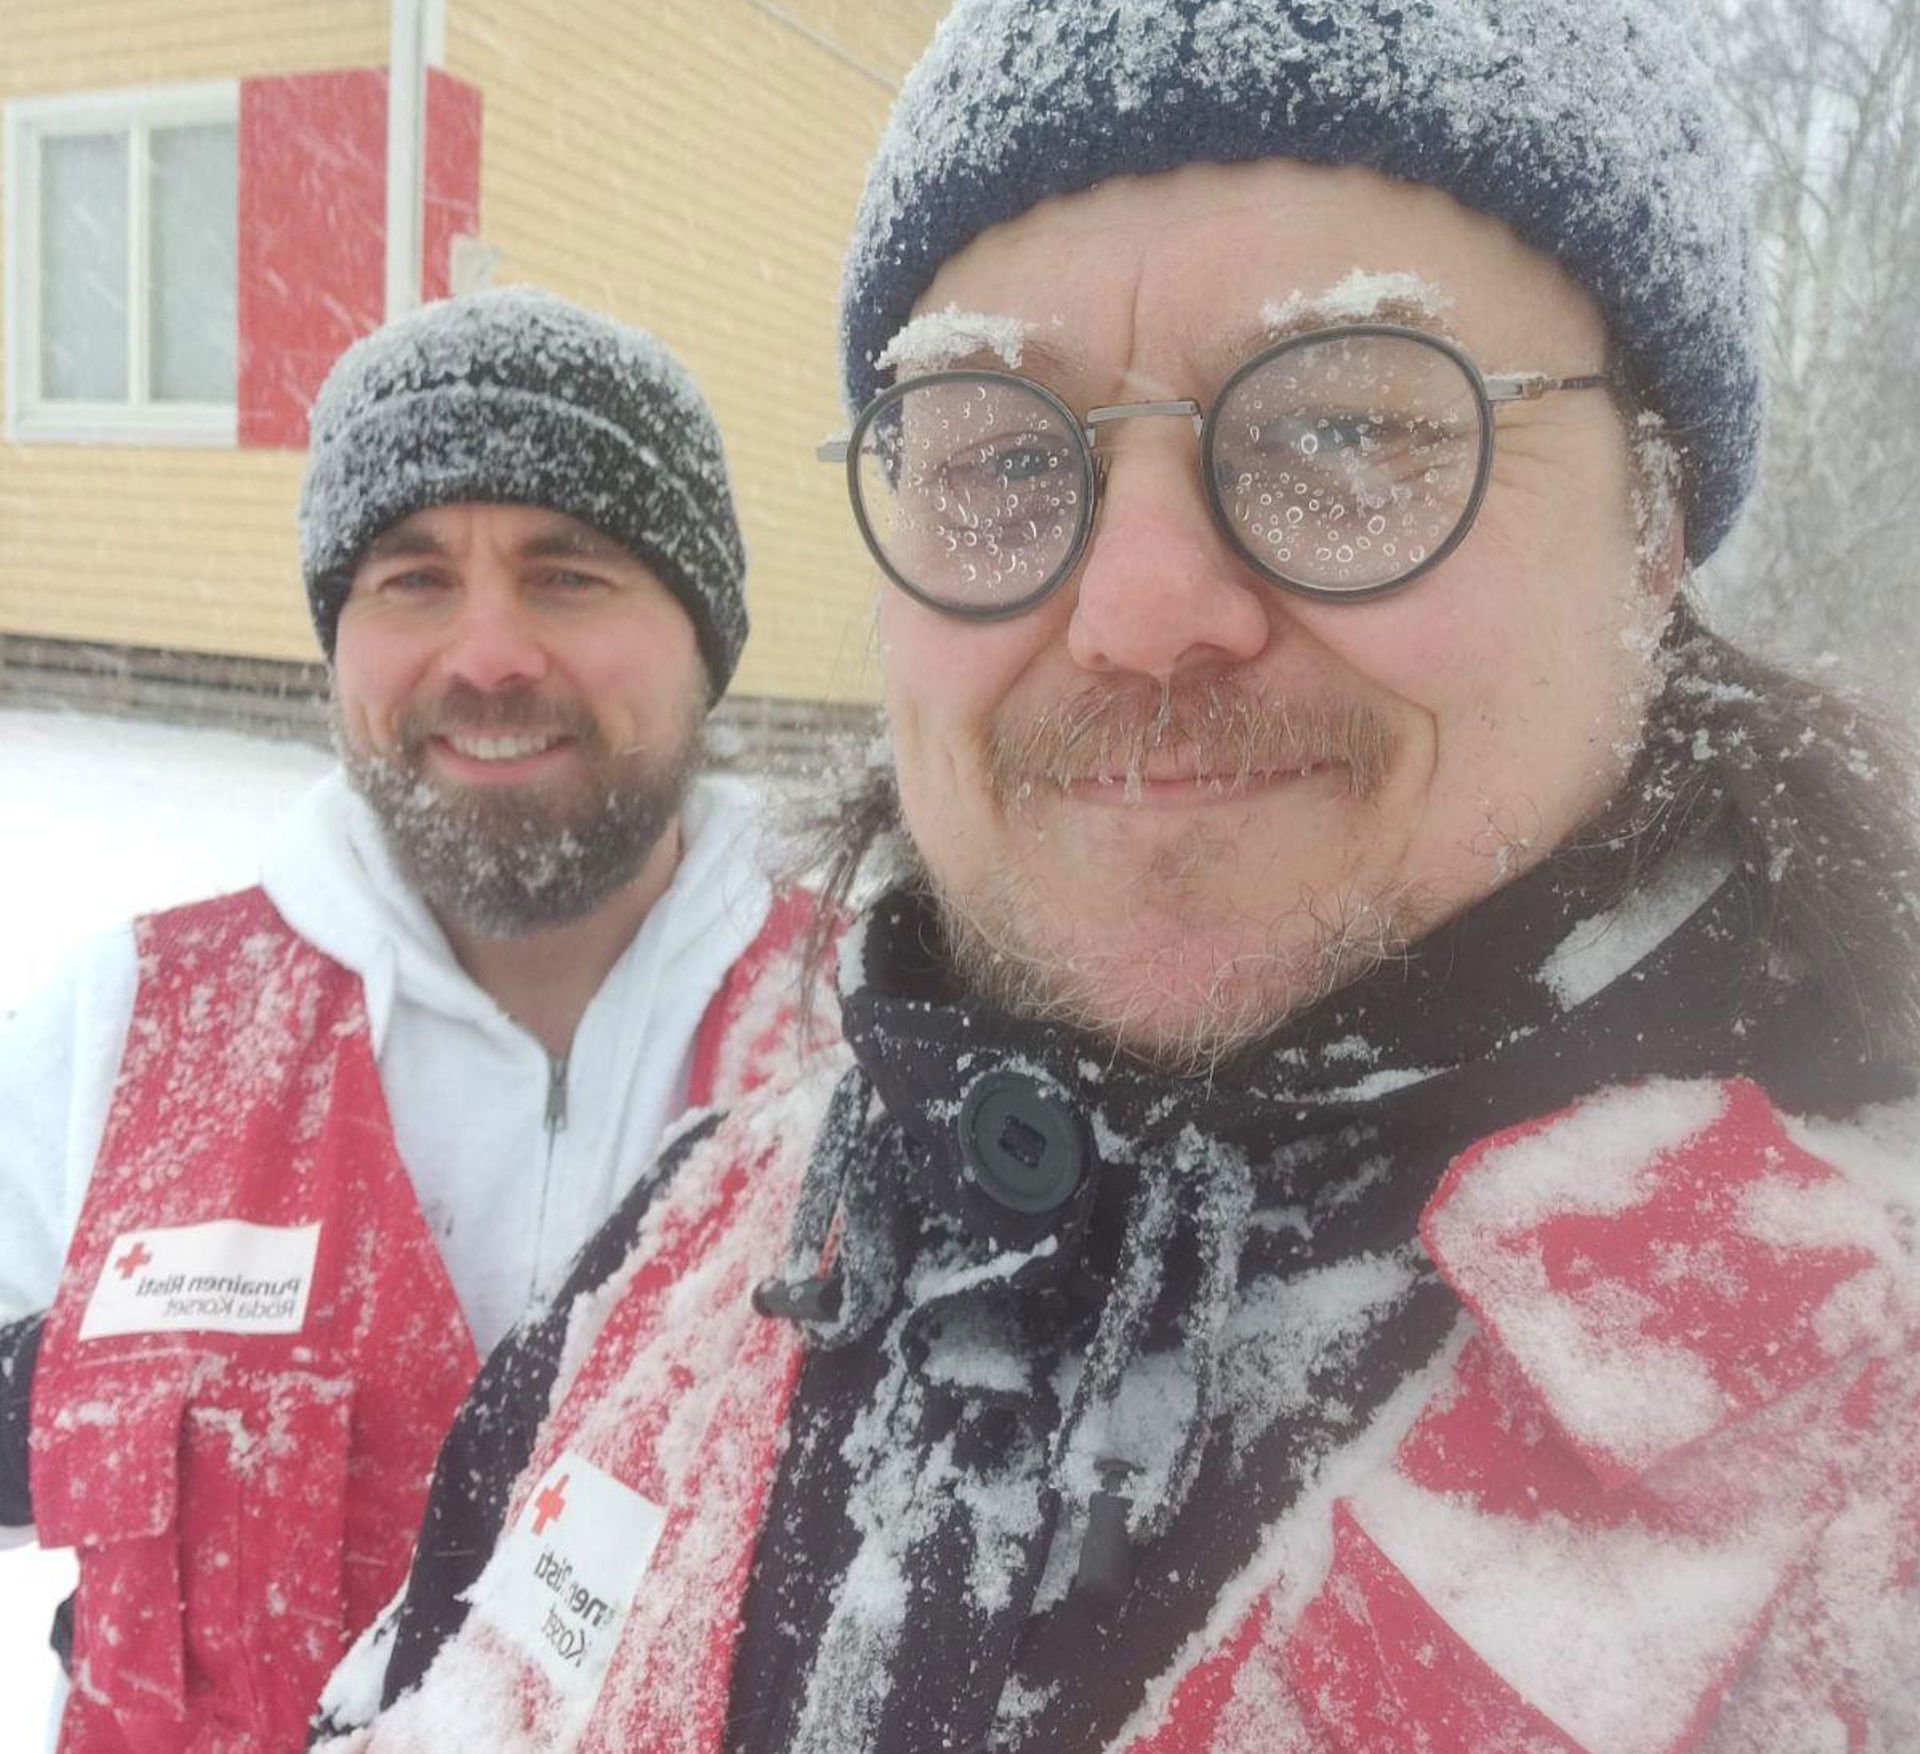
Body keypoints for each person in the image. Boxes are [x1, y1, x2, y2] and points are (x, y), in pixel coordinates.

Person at [315, 4, 1920, 1750]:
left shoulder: (1870, 1464)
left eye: (1351, 434)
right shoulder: (698, 1246)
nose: (1138, 605)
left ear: (1656, 522)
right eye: (1005, 457)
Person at [0, 287, 825, 1754]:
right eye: (412, 577)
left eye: (569, 572)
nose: (489, 653)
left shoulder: (869, 1051)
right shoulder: (131, 1029)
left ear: (705, 643)